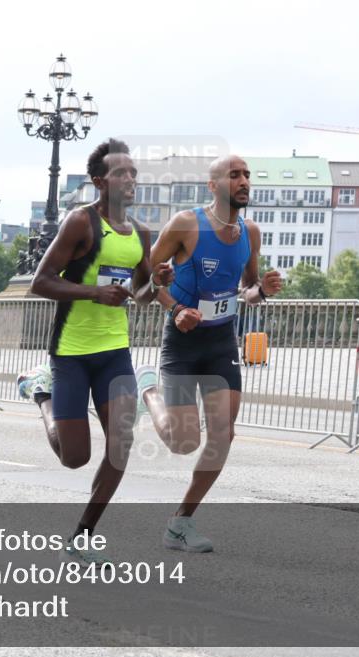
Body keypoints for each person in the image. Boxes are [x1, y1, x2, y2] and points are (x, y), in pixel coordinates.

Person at [16, 138, 172, 566]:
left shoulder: (140, 233)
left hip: (114, 352)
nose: (130, 179)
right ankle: (40, 393)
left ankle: (83, 535)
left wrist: (157, 280)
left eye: (134, 172)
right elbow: (40, 281)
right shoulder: (80, 223)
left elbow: (139, 296)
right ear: (99, 181)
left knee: (121, 443)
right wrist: (92, 292)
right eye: (121, 173)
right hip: (70, 352)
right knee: (74, 457)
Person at [135, 155, 282, 553]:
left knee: (223, 433)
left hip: (222, 343)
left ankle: (181, 522)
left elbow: (248, 290)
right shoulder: (186, 224)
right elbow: (144, 278)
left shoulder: (250, 232)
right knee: (183, 443)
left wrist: (263, 290)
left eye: (247, 175)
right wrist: (176, 308)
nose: (244, 181)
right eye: (235, 175)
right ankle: (147, 391)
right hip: (182, 341)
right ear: (213, 185)